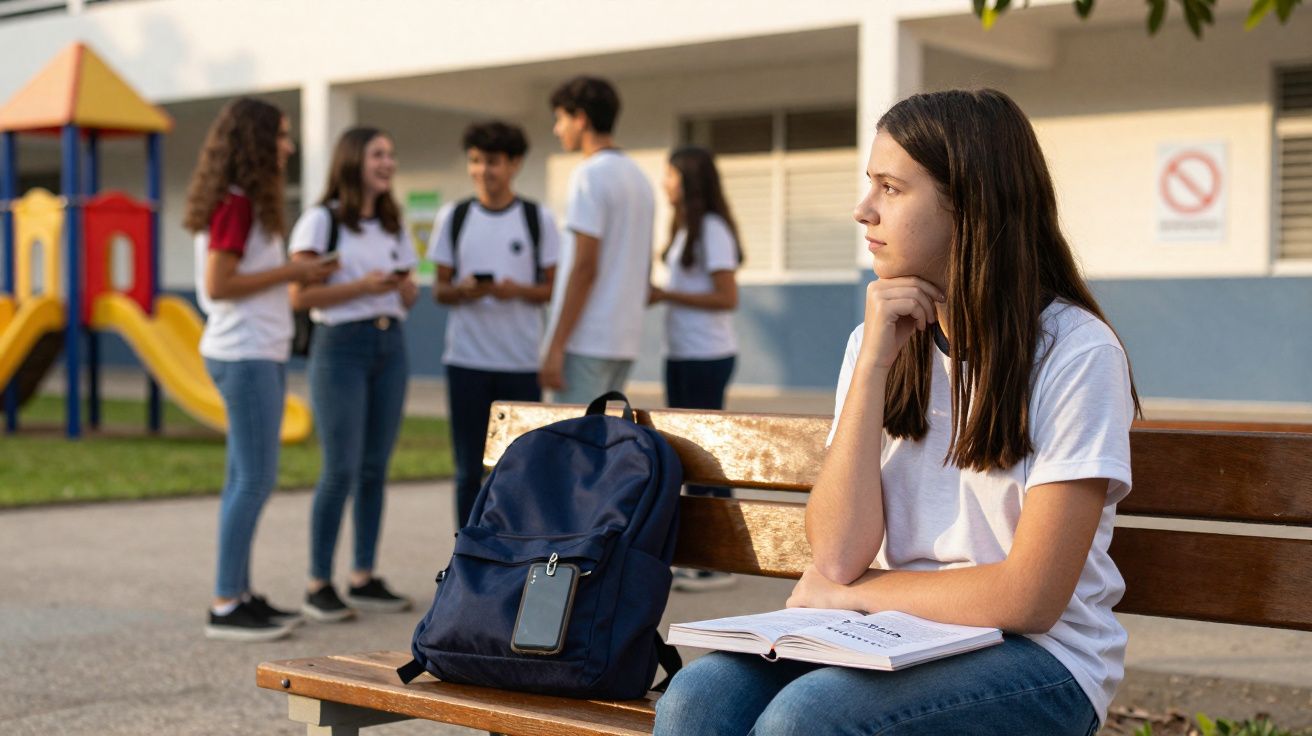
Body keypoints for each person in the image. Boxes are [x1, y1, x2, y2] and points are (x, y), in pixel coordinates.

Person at [654, 88, 1142, 735]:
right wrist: (872, 369)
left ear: (968, 204)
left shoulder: (1075, 353)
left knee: (808, 719)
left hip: (1041, 661)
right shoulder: (878, 340)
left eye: (891, 188)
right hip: (887, 639)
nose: (864, 211)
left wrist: (857, 597)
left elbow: (1030, 598)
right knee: (699, 695)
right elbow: (835, 555)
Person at [185, 97, 337, 641]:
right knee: (254, 479)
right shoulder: (237, 203)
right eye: (280, 136)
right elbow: (217, 285)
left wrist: (294, 270)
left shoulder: (244, 201)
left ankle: (239, 593)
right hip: (244, 352)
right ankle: (226, 604)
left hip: (256, 351)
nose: (289, 147)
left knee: (241, 479)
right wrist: (292, 271)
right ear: (255, 141)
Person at [288, 126, 419, 622]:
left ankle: (363, 576)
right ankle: (318, 583)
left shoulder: (391, 223)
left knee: (374, 467)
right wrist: (362, 287)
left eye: (391, 154)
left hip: (390, 344)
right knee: (340, 467)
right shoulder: (321, 222)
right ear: (352, 161)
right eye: (378, 154)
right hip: (340, 347)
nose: (388, 162)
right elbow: (299, 296)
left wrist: (403, 292)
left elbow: (408, 287)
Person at [428, 120, 559, 528]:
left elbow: (550, 289)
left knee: (520, 467)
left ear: (515, 164)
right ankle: (466, 556)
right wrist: (463, 290)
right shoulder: (456, 216)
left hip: (520, 362)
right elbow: (440, 290)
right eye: (476, 161)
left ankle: (512, 551)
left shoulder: (538, 219)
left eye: (494, 162)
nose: (484, 170)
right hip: (466, 361)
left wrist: (515, 290)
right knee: (467, 470)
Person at [649, 146, 743, 593]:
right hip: (681, 352)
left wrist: (667, 296)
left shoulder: (712, 229)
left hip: (708, 355)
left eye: (668, 175)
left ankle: (719, 558)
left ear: (686, 179)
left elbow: (728, 297)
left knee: (706, 454)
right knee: (690, 453)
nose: (664, 183)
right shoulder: (684, 227)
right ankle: (706, 553)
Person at [540, 76, 654, 403]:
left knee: (574, 446)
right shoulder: (640, 179)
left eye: (560, 119)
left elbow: (585, 266)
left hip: (585, 341)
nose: (556, 129)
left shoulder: (589, 175)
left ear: (581, 119)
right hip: (624, 341)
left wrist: (556, 344)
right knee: (602, 444)